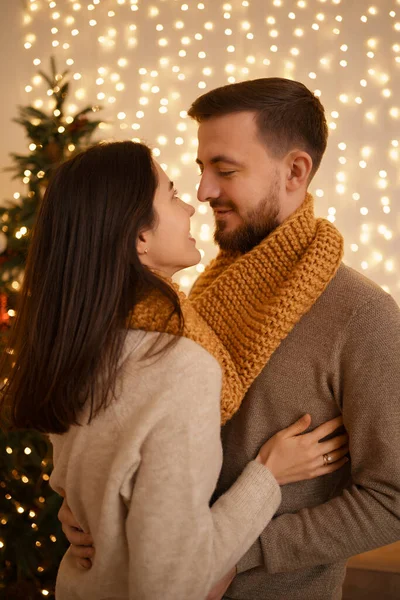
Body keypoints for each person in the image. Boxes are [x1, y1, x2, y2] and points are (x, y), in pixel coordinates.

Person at [61, 78, 400, 600]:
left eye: (226, 169)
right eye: (200, 170)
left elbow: (392, 498)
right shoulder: (194, 299)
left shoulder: (362, 316)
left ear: (295, 171)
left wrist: (241, 554)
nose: (203, 192)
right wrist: (93, 507)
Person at [0, 140, 349, 600]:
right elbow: (172, 582)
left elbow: (93, 478)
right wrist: (267, 475)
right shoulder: (180, 366)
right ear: (138, 237)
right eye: (171, 193)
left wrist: (87, 508)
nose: (192, 205)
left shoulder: (79, 345)